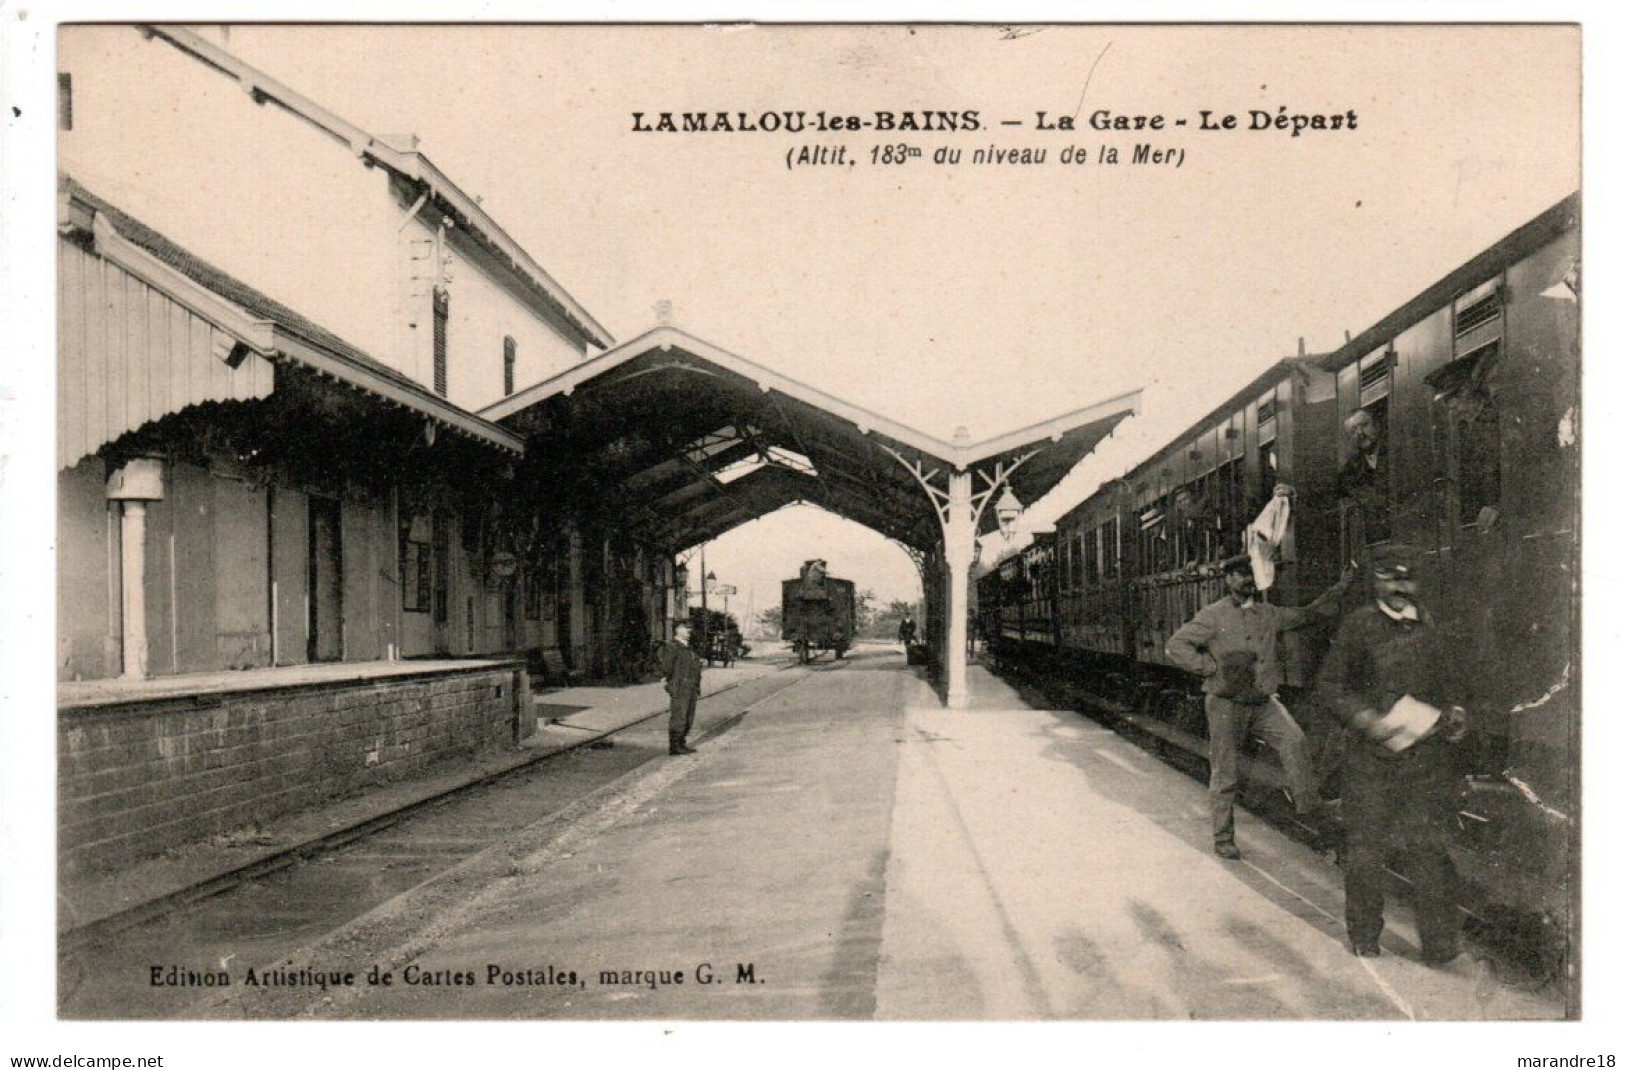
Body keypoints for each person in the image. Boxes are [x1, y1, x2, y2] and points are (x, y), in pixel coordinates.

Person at [1315, 542, 1469, 962]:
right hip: (1370, 762)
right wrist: (1367, 721)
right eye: (1390, 578)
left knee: (1429, 851)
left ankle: (1438, 946)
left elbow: (1447, 685)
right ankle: (1365, 936)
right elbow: (1330, 688)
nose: (1400, 587)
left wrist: (1455, 712)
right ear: (1375, 582)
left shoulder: (1428, 628)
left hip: (1424, 759)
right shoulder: (1358, 626)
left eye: (1407, 578)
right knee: (1366, 852)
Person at [1165, 552, 1354, 860]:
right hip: (1226, 704)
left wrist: (1342, 586)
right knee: (1225, 771)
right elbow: (1175, 645)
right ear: (1228, 580)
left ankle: (1309, 809)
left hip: (1263, 702)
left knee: (1294, 741)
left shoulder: (1268, 613)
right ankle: (1223, 838)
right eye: (1240, 574)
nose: (1247, 580)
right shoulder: (1212, 615)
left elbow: (1309, 614)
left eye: (1250, 574)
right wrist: (1209, 667)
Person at [1336, 409, 1391, 544]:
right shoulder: (1352, 465)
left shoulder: (1394, 449)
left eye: (1364, 425)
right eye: (1353, 430)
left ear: (1376, 426)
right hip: (1376, 536)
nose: (1360, 433)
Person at [658, 619, 704, 755]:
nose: (689, 631)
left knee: (689, 716)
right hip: (680, 686)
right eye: (686, 628)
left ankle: (681, 743)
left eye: (690, 628)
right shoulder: (673, 646)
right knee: (679, 717)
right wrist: (670, 685)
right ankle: (675, 746)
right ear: (677, 630)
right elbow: (666, 668)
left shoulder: (689, 647)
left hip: (691, 686)